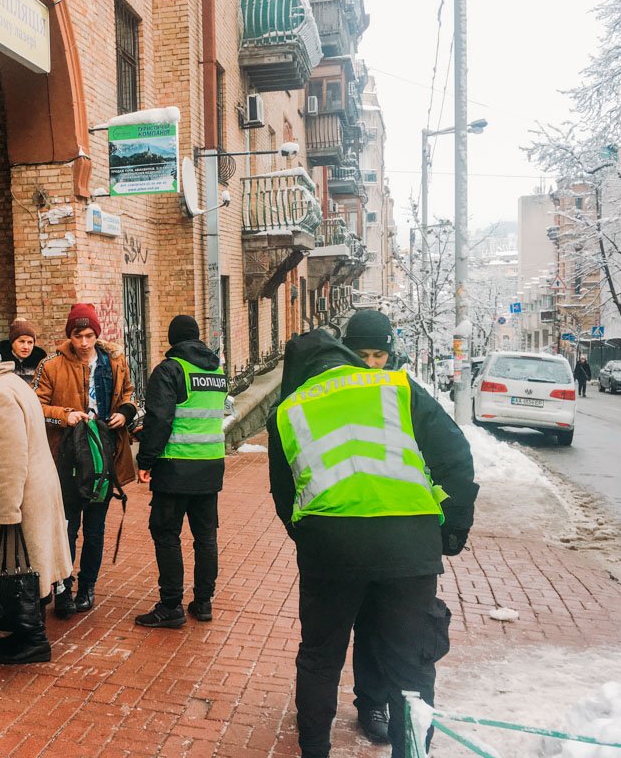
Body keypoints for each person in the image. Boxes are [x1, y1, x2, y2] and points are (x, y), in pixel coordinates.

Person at [267, 309, 478, 758]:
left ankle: (315, 751)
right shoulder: (396, 386)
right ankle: (410, 752)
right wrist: (452, 526)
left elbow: (283, 494)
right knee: (411, 667)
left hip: (331, 547)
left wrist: (310, 536)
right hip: (409, 545)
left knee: (320, 658)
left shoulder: (289, 407)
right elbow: (455, 454)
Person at [0, 339, 72, 665]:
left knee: (18, 569)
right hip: (35, 492)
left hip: (18, 499)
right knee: (26, 567)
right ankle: (23, 634)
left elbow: (6, 460)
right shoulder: (14, 384)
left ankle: (33, 639)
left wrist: (7, 512)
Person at [34, 303, 137, 618]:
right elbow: (36, 405)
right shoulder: (51, 365)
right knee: (66, 527)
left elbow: (128, 395)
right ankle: (63, 588)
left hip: (104, 457)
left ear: (97, 334)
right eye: (78, 335)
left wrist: (124, 413)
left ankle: (87, 587)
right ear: (70, 335)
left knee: (95, 528)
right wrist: (66, 415)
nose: (84, 342)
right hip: (67, 459)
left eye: (89, 335)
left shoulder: (114, 362)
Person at [133, 315, 227, 629]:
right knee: (205, 538)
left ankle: (170, 605)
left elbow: (160, 420)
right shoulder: (217, 371)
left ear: (173, 340)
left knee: (166, 535)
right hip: (210, 467)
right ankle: (203, 602)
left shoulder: (171, 370)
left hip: (175, 468)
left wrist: (145, 460)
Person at [0, 318, 47, 383]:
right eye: (21, 342)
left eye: (30, 342)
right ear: (12, 342)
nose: (26, 347)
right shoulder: (0, 362)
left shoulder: (41, 364)